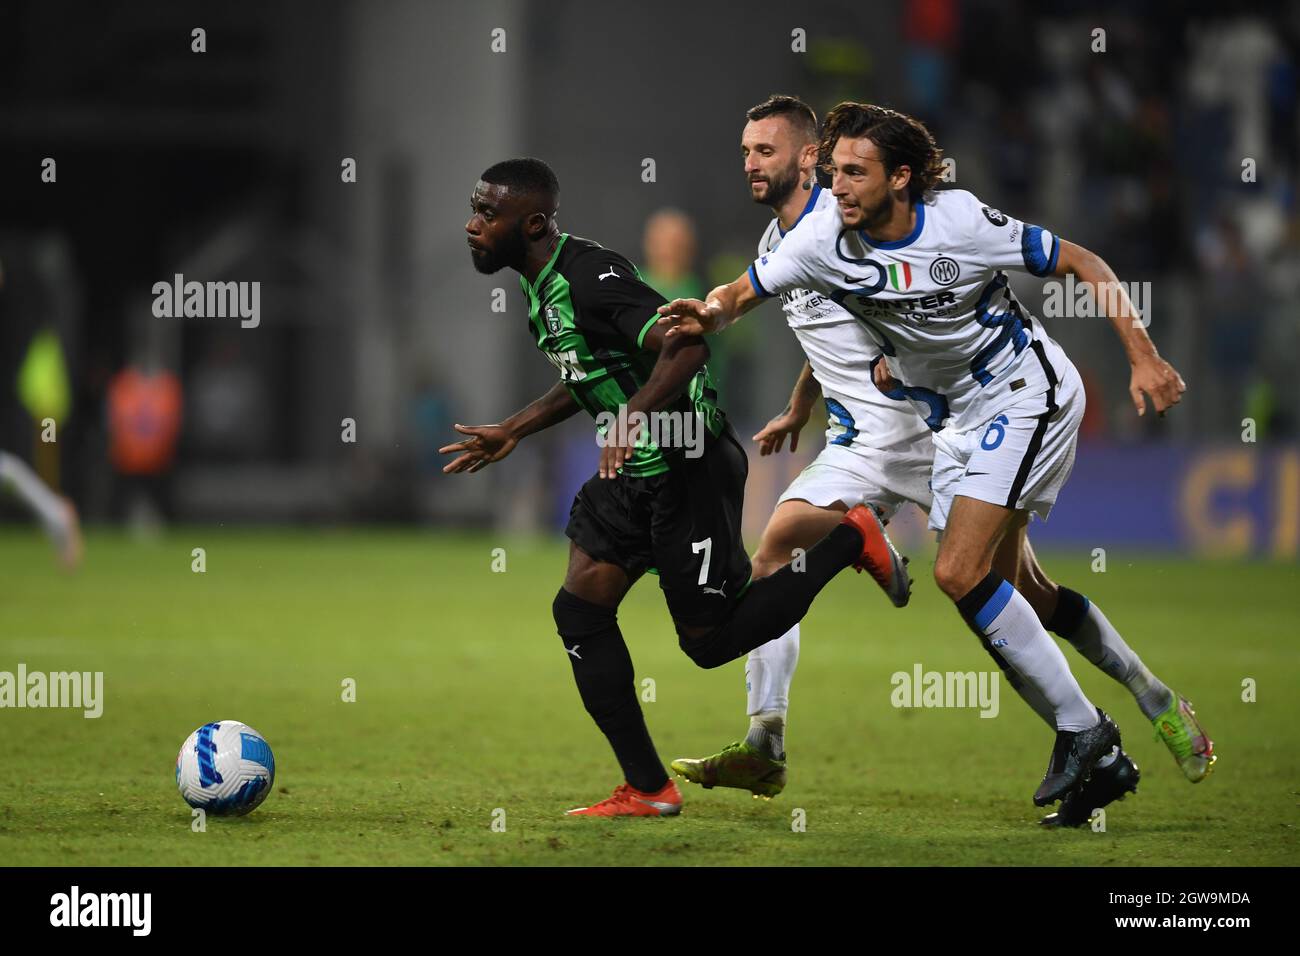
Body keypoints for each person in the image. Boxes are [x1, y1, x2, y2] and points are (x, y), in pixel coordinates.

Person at [658, 103, 1214, 810]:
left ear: (901, 178)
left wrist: (1144, 357)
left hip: (1023, 394)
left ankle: (1087, 734)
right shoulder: (813, 240)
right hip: (947, 423)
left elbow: (1082, 260)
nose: (841, 188)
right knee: (1011, 600)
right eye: (835, 174)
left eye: (855, 173)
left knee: (960, 573)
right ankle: (1146, 700)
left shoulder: (958, 221)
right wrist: (709, 315)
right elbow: (739, 297)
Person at [443, 158, 911, 818]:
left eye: (487, 214)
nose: (472, 224)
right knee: (579, 610)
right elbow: (587, 370)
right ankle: (649, 788)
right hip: (633, 474)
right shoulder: (541, 283)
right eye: (475, 208)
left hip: (689, 467)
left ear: (534, 223)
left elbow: (687, 347)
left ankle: (850, 536)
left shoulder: (591, 278)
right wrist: (515, 429)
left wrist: (634, 412)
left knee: (709, 643)